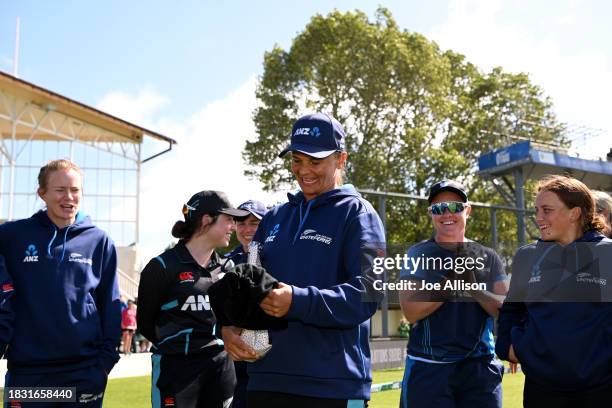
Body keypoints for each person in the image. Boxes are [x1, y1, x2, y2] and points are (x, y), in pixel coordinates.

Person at [222, 112, 386, 408]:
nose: (304, 170)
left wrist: (297, 300)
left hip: (331, 386)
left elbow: (370, 293)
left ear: (341, 159)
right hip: (265, 381)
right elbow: (248, 286)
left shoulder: (359, 214)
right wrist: (229, 328)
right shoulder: (273, 218)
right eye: (297, 160)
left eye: (315, 161)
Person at [0, 159, 121, 407]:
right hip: (29, 375)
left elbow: (110, 305)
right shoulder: (12, 236)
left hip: (84, 373)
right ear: (42, 193)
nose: (69, 197)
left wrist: (104, 364)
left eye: (75, 190)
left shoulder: (99, 241)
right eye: (60, 190)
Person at [496, 175, 612, 407]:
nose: (538, 217)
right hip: (542, 391)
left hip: (602, 390)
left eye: (547, 210)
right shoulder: (527, 256)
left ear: (575, 212)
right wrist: (508, 347)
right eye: (537, 209)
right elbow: (511, 311)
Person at [398, 179, 509, 408]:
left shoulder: (489, 257)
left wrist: (474, 288)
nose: (447, 213)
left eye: (456, 207)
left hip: (479, 369)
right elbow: (410, 310)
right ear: (431, 214)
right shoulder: (417, 254)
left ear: (468, 210)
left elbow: (505, 308)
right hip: (429, 368)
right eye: (439, 208)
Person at [137, 190, 249, 408]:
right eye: (229, 220)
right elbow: (146, 325)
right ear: (207, 220)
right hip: (175, 371)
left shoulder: (229, 267)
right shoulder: (161, 267)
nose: (233, 227)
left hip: (221, 370)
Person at [223, 199, 267, 408]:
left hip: (271, 363)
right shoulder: (226, 262)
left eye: (254, 223)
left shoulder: (277, 257)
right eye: (241, 223)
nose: (246, 229)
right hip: (236, 364)